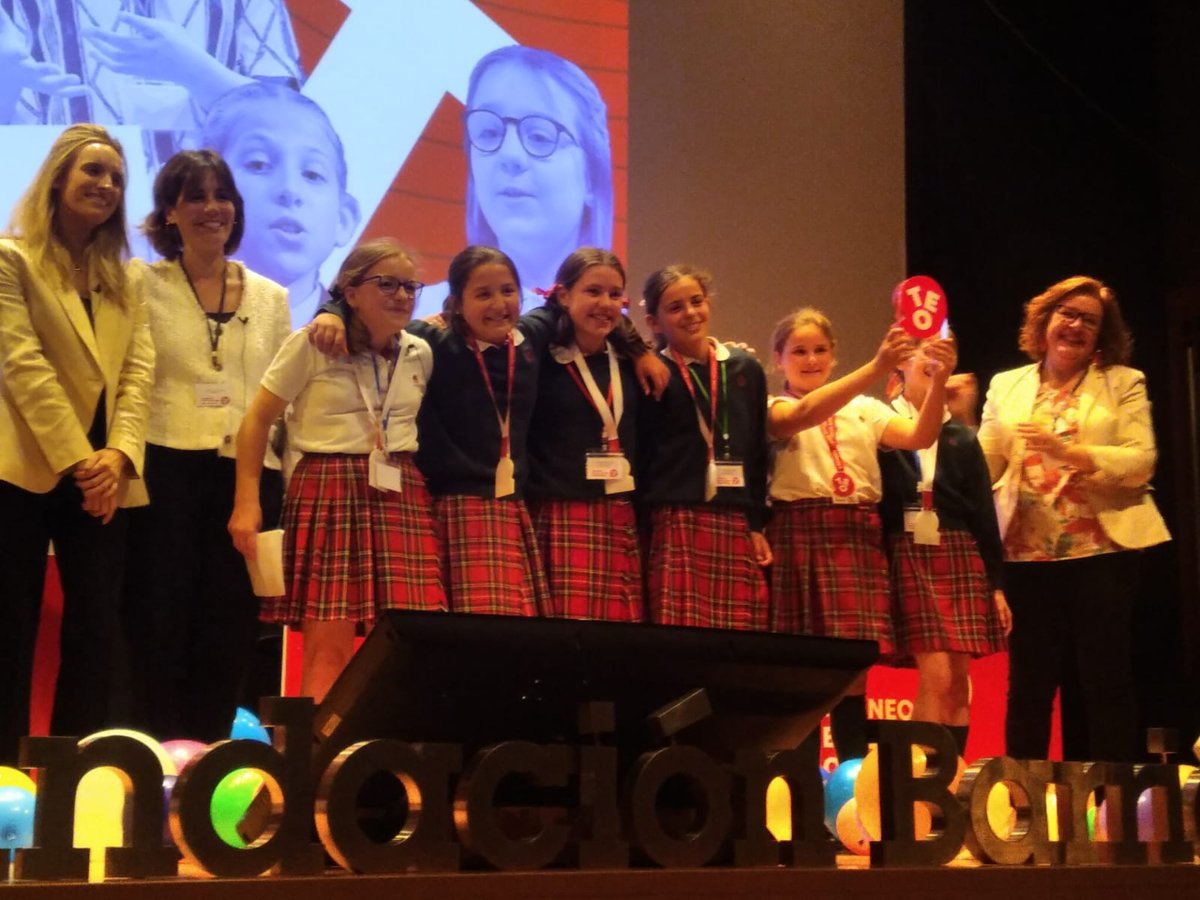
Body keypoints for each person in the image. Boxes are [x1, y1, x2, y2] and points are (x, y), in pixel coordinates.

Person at [121, 149, 291, 742]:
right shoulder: (140, 284)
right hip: (163, 468)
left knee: (230, 625)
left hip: (246, 476)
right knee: (160, 619)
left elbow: (280, 400)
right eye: (195, 196)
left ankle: (210, 756)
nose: (211, 208)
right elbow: (131, 380)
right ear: (169, 212)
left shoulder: (272, 297)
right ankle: (157, 759)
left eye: (222, 196)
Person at [229, 239, 445, 702]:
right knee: (329, 638)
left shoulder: (419, 353)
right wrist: (246, 502)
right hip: (328, 486)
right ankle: (318, 759)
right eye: (386, 283)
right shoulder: (312, 344)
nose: (402, 295)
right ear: (350, 292)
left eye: (410, 286)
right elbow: (256, 421)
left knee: (404, 634)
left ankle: (383, 751)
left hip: (399, 489)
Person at [0, 123, 154, 762]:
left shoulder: (129, 278)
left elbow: (139, 372)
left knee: (97, 632)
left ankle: (69, 773)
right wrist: (80, 459)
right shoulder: (10, 259)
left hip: (107, 475)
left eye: (117, 178)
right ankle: (4, 773)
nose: (106, 185)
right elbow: (21, 363)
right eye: (93, 171)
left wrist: (118, 456)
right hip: (26, 467)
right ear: (58, 177)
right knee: (11, 629)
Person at [977, 276, 1170, 762]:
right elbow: (988, 464)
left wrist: (1070, 452)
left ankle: (1114, 808)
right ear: (1044, 322)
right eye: (1068, 313)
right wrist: (945, 431)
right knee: (1029, 686)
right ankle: (1023, 807)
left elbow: (1141, 461)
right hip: (1025, 555)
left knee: (1105, 680)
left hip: (1104, 553)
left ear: (1101, 335)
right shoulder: (1007, 384)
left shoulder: (1124, 383)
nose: (1076, 325)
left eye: (1090, 320)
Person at [766, 308, 954, 763]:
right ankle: (803, 792)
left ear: (833, 355)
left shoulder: (866, 408)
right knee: (806, 668)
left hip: (856, 535)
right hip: (799, 531)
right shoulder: (773, 405)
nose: (811, 360)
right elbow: (802, 415)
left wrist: (939, 381)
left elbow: (920, 436)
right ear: (778, 360)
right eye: (799, 351)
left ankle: (852, 788)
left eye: (821, 350)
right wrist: (877, 366)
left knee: (855, 668)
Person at [879, 337, 1012, 758]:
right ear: (899, 366)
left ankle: (948, 791)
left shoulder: (959, 436)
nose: (931, 361)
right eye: (921, 353)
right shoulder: (883, 427)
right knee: (935, 679)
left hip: (958, 553)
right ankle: (917, 791)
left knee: (957, 684)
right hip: (908, 553)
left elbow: (983, 517)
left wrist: (996, 585)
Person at [418, 46, 613, 315]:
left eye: (541, 137)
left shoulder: (614, 326)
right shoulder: (422, 316)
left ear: (591, 176)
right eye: (488, 131)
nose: (509, 155)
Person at [637, 264, 771, 630]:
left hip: (734, 518)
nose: (691, 313)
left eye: (697, 301)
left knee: (739, 637)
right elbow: (643, 454)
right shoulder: (652, 371)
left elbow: (757, 450)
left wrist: (756, 523)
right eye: (675, 307)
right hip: (675, 518)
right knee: (679, 636)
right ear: (653, 321)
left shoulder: (745, 367)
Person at [526, 248, 643, 621]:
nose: (605, 304)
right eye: (593, 292)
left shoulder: (630, 361)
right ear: (563, 295)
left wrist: (641, 350)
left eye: (614, 294)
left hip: (620, 513)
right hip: (561, 512)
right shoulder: (540, 358)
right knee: (564, 634)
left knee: (620, 640)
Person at [201, 82, 360, 326]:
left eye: (312, 174)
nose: (290, 190)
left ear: (343, 219)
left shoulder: (362, 341)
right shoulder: (159, 313)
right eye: (258, 164)